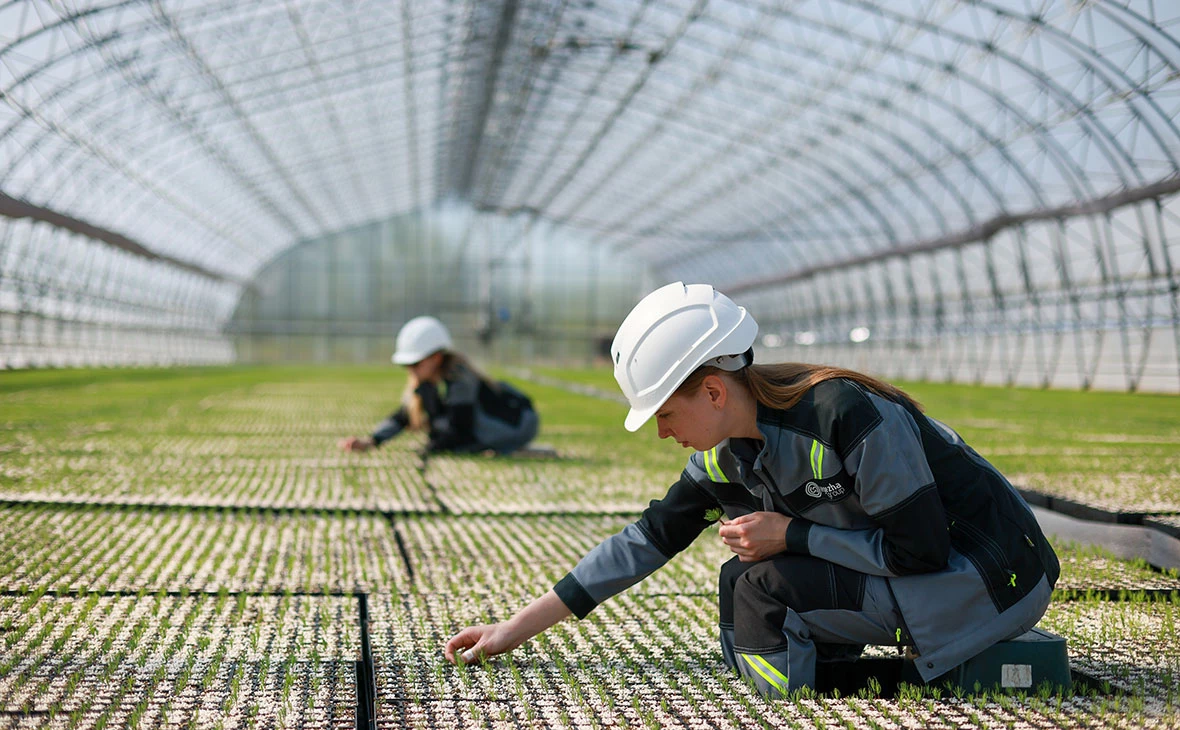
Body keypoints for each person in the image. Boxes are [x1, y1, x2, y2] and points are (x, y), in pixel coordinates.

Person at [443, 282, 1060, 698]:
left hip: (988, 576)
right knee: (738, 583)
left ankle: (793, 693)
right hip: (932, 569)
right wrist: (513, 630)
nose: (662, 433)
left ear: (713, 392)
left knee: (766, 589)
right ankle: (797, 676)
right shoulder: (731, 456)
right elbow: (644, 541)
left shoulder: (847, 416)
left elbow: (919, 548)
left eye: (664, 413)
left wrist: (792, 534)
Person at [338, 316, 539, 455]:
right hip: (499, 426)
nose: (411, 370)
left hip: (519, 424)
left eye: (415, 364)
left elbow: (458, 431)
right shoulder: (430, 384)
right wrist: (372, 440)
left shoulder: (460, 379)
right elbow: (404, 415)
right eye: (406, 365)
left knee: (448, 434)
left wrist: (433, 443)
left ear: (435, 358)